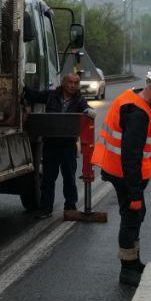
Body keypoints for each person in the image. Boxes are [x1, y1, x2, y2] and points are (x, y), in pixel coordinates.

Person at [91, 64, 151, 287]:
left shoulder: (134, 99)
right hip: (125, 175)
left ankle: (134, 261)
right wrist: (135, 193)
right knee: (132, 216)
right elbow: (131, 158)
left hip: (120, 171)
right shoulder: (138, 113)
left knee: (137, 215)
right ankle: (128, 270)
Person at [24, 72, 93, 218]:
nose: (73, 86)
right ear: (63, 83)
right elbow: (34, 95)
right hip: (50, 145)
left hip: (68, 146)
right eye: (70, 82)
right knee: (48, 178)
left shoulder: (79, 100)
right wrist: (22, 88)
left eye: (76, 83)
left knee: (69, 178)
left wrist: (89, 112)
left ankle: (70, 207)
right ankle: (45, 209)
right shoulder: (51, 95)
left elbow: (87, 109)